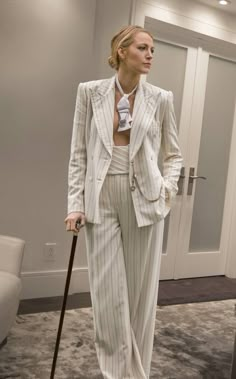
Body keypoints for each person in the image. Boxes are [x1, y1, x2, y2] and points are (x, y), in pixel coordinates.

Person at [65, 25, 183, 379]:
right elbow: (79, 153)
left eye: (153, 50)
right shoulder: (90, 93)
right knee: (107, 297)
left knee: (139, 301)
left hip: (145, 201)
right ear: (121, 50)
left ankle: (135, 371)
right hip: (100, 197)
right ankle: (121, 374)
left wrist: (167, 189)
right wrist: (75, 202)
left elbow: (173, 154)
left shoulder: (161, 98)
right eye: (143, 48)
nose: (150, 55)